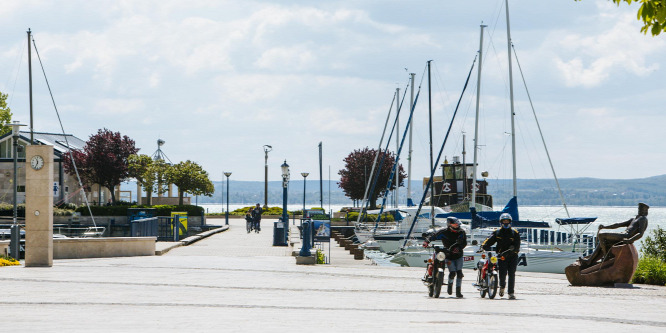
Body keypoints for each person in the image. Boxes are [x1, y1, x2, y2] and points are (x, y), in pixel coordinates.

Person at [579, 202, 649, 268]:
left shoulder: (643, 219)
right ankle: (589, 260)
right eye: (639, 208)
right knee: (602, 242)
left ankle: (607, 256)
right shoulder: (633, 219)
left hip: (626, 236)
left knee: (601, 235)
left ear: (645, 210)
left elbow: (640, 233)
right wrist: (604, 227)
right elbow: (618, 225)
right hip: (623, 234)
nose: (639, 210)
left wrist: (630, 240)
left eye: (641, 209)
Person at [422, 217, 468, 298]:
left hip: (459, 255)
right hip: (448, 255)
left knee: (459, 273)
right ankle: (448, 285)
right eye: (454, 224)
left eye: (457, 224)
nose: (456, 225)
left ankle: (458, 291)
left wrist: (459, 248)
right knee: (452, 272)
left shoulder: (462, 232)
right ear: (449, 224)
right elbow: (433, 236)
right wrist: (426, 241)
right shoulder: (444, 232)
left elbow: (464, 243)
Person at [481, 213, 520, 300]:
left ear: (510, 222)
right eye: (504, 221)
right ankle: (502, 286)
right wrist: (484, 246)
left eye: (507, 221)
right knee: (502, 274)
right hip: (501, 257)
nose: (506, 222)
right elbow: (489, 240)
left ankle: (511, 293)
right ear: (501, 222)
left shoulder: (515, 233)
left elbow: (517, 246)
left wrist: (512, 250)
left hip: (513, 256)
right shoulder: (497, 232)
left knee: (512, 274)